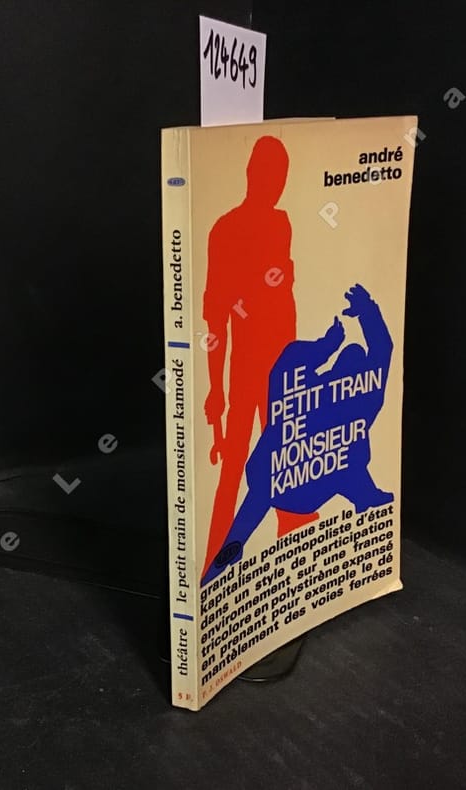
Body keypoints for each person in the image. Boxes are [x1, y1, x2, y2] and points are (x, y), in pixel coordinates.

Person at [201, 284, 394, 586]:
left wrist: (326, 346)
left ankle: (233, 545)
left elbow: (288, 360)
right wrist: (367, 311)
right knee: (349, 460)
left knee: (263, 491)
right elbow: (383, 349)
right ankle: (365, 496)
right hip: (314, 491)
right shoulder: (369, 397)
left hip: (273, 484)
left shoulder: (302, 386)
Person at [202, 136, 316, 579]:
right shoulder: (225, 230)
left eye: (281, 178)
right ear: (251, 174)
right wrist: (215, 388)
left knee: (284, 458)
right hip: (246, 369)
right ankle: (214, 562)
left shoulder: (281, 224)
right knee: (234, 465)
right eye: (269, 176)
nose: (276, 186)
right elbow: (217, 316)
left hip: (281, 369)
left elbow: (283, 301)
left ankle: (293, 540)